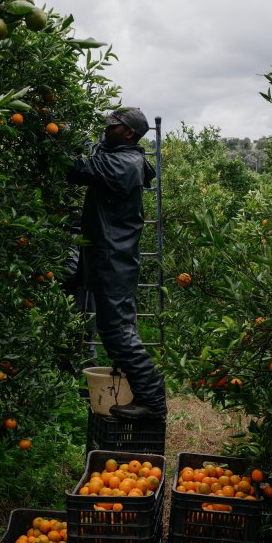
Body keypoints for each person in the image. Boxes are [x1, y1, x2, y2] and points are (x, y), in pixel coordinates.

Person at [65, 108, 167, 421]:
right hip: (110, 258)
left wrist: (58, 137)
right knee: (114, 330)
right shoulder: (119, 156)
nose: (107, 130)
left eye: (114, 127)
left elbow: (76, 168)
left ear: (128, 134)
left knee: (119, 331)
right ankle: (146, 397)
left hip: (113, 260)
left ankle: (153, 403)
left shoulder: (124, 164)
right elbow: (93, 152)